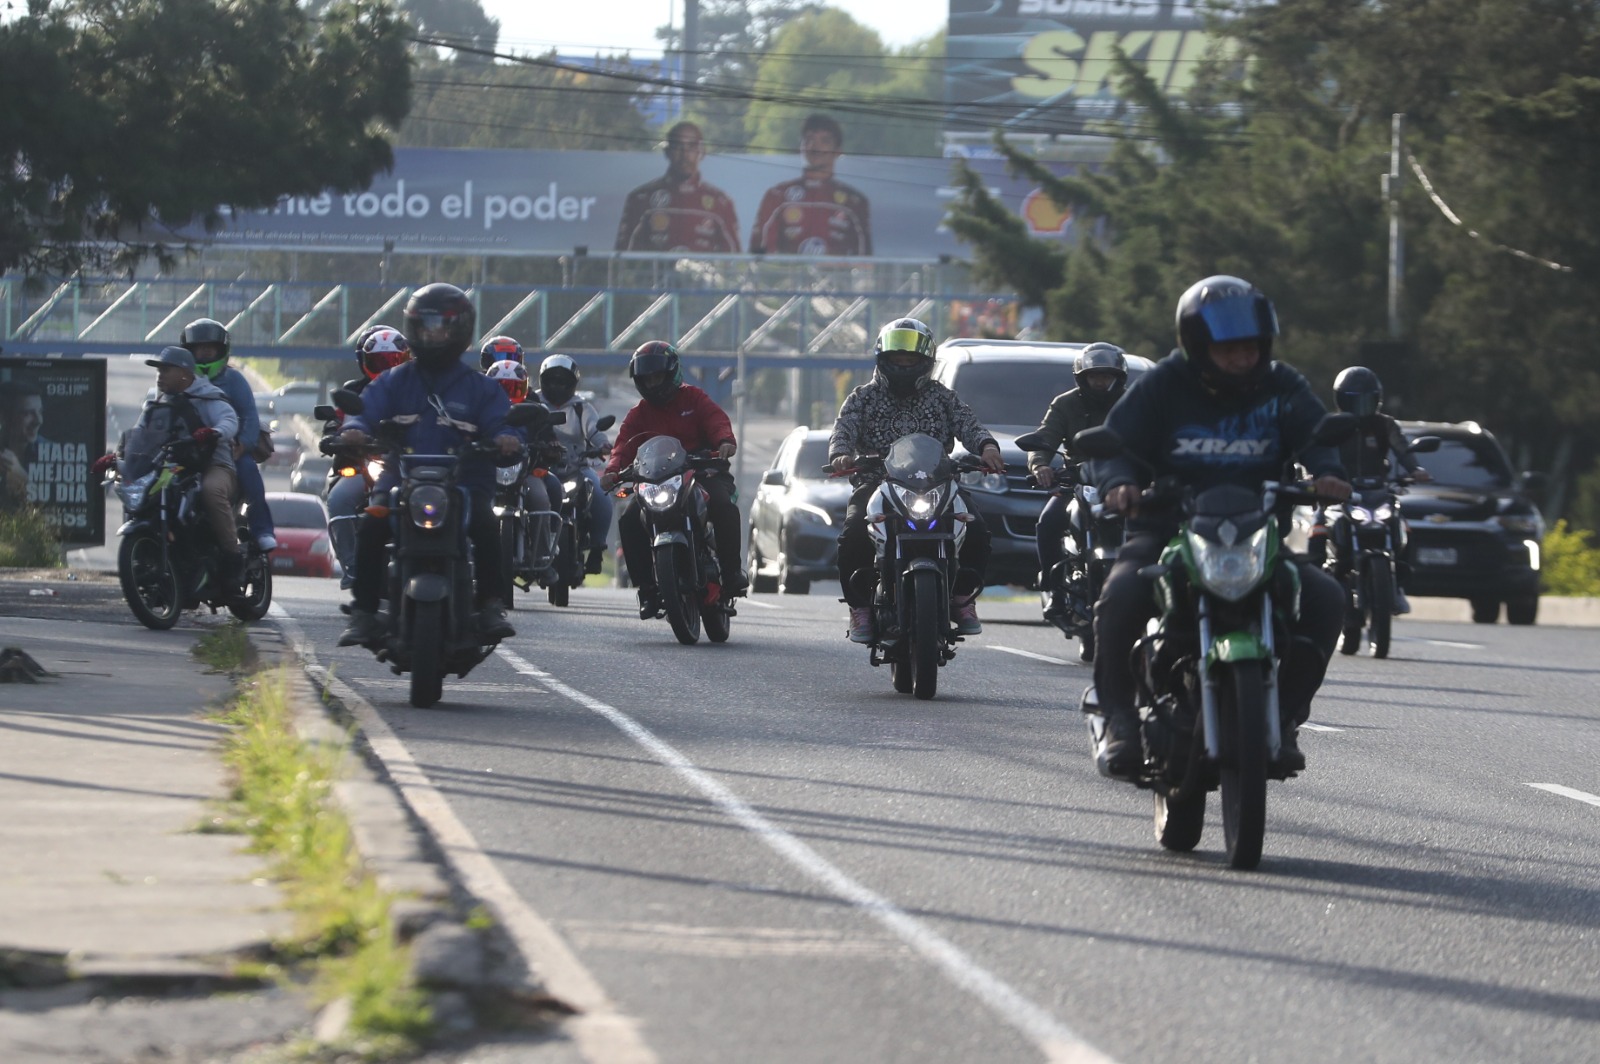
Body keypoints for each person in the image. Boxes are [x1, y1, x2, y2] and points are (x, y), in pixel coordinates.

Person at [1090, 276, 1352, 777]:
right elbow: (1118, 443)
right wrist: (1120, 483)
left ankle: (1285, 716)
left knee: (1326, 598)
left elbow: (1317, 437)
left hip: (1258, 537)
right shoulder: (1165, 384)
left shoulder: (1283, 385)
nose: (1243, 358)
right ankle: (1119, 720)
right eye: (1230, 349)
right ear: (1198, 346)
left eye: (1252, 347)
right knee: (1120, 595)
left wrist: (1329, 473)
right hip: (1169, 531)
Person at [336, 283, 522, 647]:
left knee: (487, 525)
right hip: (400, 480)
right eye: (426, 326)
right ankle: (364, 612)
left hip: (466, 483)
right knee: (372, 523)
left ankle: (489, 605)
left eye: (444, 326)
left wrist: (507, 439)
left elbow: (504, 424)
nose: (434, 334)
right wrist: (354, 431)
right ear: (413, 329)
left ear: (461, 330)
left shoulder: (481, 388)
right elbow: (365, 414)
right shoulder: (393, 381)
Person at [828, 318, 1006, 642]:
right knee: (853, 532)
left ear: (925, 363)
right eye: (898, 360)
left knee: (977, 528)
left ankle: (962, 598)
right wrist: (841, 454)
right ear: (884, 360)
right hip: (878, 483)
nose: (904, 367)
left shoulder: (943, 397)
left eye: (910, 361)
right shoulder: (862, 397)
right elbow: (843, 431)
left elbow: (970, 425)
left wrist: (987, 447)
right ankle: (860, 608)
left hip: (938, 483)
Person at [599, 341, 745, 617]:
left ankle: (731, 572)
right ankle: (647, 590)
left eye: (657, 376)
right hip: (655, 483)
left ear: (672, 374)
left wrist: (724, 441)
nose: (653, 383)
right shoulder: (638, 414)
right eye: (647, 378)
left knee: (724, 505)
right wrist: (612, 472)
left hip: (701, 474)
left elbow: (717, 421)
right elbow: (623, 447)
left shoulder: (695, 398)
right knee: (629, 520)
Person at [1310, 365, 1432, 613]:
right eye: (1355, 401)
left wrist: (1415, 470)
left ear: (1378, 400)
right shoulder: (1331, 425)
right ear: (1341, 400)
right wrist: (1314, 477)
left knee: (1403, 526)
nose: (1362, 408)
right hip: (1337, 493)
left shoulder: (1385, 425)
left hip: (1376, 492)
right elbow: (1315, 450)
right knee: (1318, 526)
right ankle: (1312, 586)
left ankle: (1397, 586)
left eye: (1368, 401)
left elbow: (1403, 450)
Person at [1025, 342, 1130, 627]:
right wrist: (1041, 465)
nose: (1100, 381)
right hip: (1078, 483)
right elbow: (1044, 438)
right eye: (1094, 375)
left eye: (1106, 376)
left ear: (1118, 377)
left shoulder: (1134, 402)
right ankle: (1054, 588)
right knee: (1048, 521)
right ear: (1082, 377)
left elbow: (1152, 440)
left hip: (1123, 483)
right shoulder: (1065, 403)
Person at [127, 347, 244, 589]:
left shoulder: (208, 396)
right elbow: (140, 434)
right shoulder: (157, 404)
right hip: (172, 466)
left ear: (184, 373)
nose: (160, 375)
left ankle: (233, 560)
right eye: (159, 370)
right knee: (141, 494)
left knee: (210, 491)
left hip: (213, 464)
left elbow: (230, 420)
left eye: (166, 370)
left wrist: (214, 432)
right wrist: (118, 455)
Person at [179, 318, 277, 552]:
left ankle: (262, 530)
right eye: (198, 350)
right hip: (187, 451)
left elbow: (250, 418)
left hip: (228, 451)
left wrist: (242, 446)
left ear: (221, 351)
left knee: (248, 471)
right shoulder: (181, 380)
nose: (203, 355)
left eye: (209, 349)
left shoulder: (234, 380)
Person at [325, 325, 411, 589]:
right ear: (365, 362)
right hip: (365, 465)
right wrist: (337, 435)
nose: (386, 369)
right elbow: (342, 421)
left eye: (393, 362)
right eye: (379, 362)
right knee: (339, 499)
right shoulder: (356, 391)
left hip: (411, 465)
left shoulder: (418, 388)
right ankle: (352, 567)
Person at [749, 113, 872, 257]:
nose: (815, 146)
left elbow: (864, 260)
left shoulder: (854, 201)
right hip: (788, 278)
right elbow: (758, 255)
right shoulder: (777, 195)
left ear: (838, 151)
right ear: (800, 148)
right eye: (809, 140)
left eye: (825, 141)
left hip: (836, 279)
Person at [534, 354, 613, 575]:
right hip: (542, 468)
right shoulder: (535, 403)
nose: (557, 387)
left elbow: (595, 430)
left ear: (572, 384)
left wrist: (603, 444)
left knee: (600, 493)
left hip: (577, 466)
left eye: (563, 382)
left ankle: (597, 548)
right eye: (552, 381)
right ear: (542, 381)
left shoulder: (581, 408)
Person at [615, 121, 741, 253]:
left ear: (702, 153)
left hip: (703, 274)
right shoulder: (641, 198)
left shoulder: (720, 202)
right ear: (667, 152)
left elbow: (735, 261)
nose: (684, 154)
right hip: (654, 274)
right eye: (677, 146)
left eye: (691, 147)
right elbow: (621, 257)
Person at [0, 382, 47, 506]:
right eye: (27, 413)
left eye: (40, 412)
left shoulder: (52, 451)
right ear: (3, 417)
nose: (39, 421)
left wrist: (23, 480)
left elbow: (54, 512)